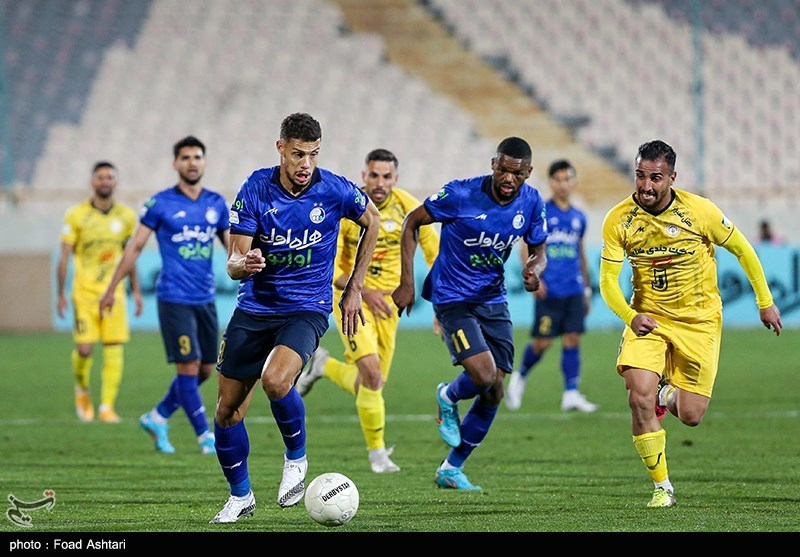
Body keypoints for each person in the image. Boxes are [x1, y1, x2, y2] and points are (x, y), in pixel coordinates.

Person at [209, 112, 380, 523]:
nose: (306, 164)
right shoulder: (255, 188)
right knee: (226, 411)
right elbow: (232, 261)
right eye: (299, 154)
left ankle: (296, 460)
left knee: (276, 379)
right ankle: (240, 497)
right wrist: (242, 263)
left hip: (306, 308)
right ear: (281, 148)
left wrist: (354, 287)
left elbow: (372, 220)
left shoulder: (335, 189)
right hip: (253, 310)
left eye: (314, 155)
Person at [599, 140, 783, 508]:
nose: (646, 186)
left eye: (655, 177)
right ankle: (662, 487)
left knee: (692, 415)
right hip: (648, 318)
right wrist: (631, 317)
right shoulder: (619, 219)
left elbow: (744, 250)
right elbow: (607, 281)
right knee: (638, 396)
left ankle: (667, 392)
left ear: (671, 177)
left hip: (699, 322)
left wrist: (765, 302)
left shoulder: (699, 211)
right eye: (640, 176)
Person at [392, 136, 547, 490]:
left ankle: (451, 468)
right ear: (494, 164)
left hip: (493, 299)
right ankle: (447, 396)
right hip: (452, 297)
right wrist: (407, 282)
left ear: (528, 172)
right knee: (483, 376)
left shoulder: (532, 201)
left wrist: (535, 268)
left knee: (495, 391)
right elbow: (412, 222)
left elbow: (538, 248)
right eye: (503, 170)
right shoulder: (460, 195)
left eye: (517, 173)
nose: (508, 179)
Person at [295, 148, 440, 474]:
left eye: (386, 177)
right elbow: (327, 267)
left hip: (389, 309)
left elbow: (435, 256)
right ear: (364, 176)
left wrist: (442, 305)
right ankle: (377, 456)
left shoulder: (409, 209)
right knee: (372, 376)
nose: (379, 182)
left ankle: (323, 365)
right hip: (351, 301)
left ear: (395, 179)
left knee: (369, 385)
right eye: (373, 175)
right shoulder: (350, 210)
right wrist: (364, 290)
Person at [100, 136, 230, 456]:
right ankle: (204, 436)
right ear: (175, 164)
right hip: (174, 297)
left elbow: (233, 250)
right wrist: (111, 288)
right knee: (187, 368)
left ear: (204, 162)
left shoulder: (216, 203)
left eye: (197, 157)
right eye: (185, 157)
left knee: (204, 370)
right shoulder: (160, 204)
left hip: (205, 298)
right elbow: (135, 247)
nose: (192, 162)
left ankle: (157, 416)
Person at [506, 159, 597, 413]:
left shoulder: (579, 216)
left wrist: (587, 289)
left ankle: (571, 393)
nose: (563, 184)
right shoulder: (541, 211)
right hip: (549, 289)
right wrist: (534, 278)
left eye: (567, 179)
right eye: (557, 179)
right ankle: (519, 376)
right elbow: (525, 247)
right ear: (550, 183)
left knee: (572, 338)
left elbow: (580, 252)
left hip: (574, 289)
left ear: (574, 182)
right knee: (542, 342)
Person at [57, 161, 143, 424]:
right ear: (92, 181)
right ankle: (82, 389)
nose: (105, 181)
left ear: (115, 182)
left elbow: (130, 256)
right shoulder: (76, 215)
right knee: (84, 350)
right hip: (84, 293)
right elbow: (64, 256)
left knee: (113, 347)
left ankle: (107, 406)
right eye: (100, 177)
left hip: (114, 293)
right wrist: (60, 293)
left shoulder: (126, 217)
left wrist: (136, 291)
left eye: (109, 177)